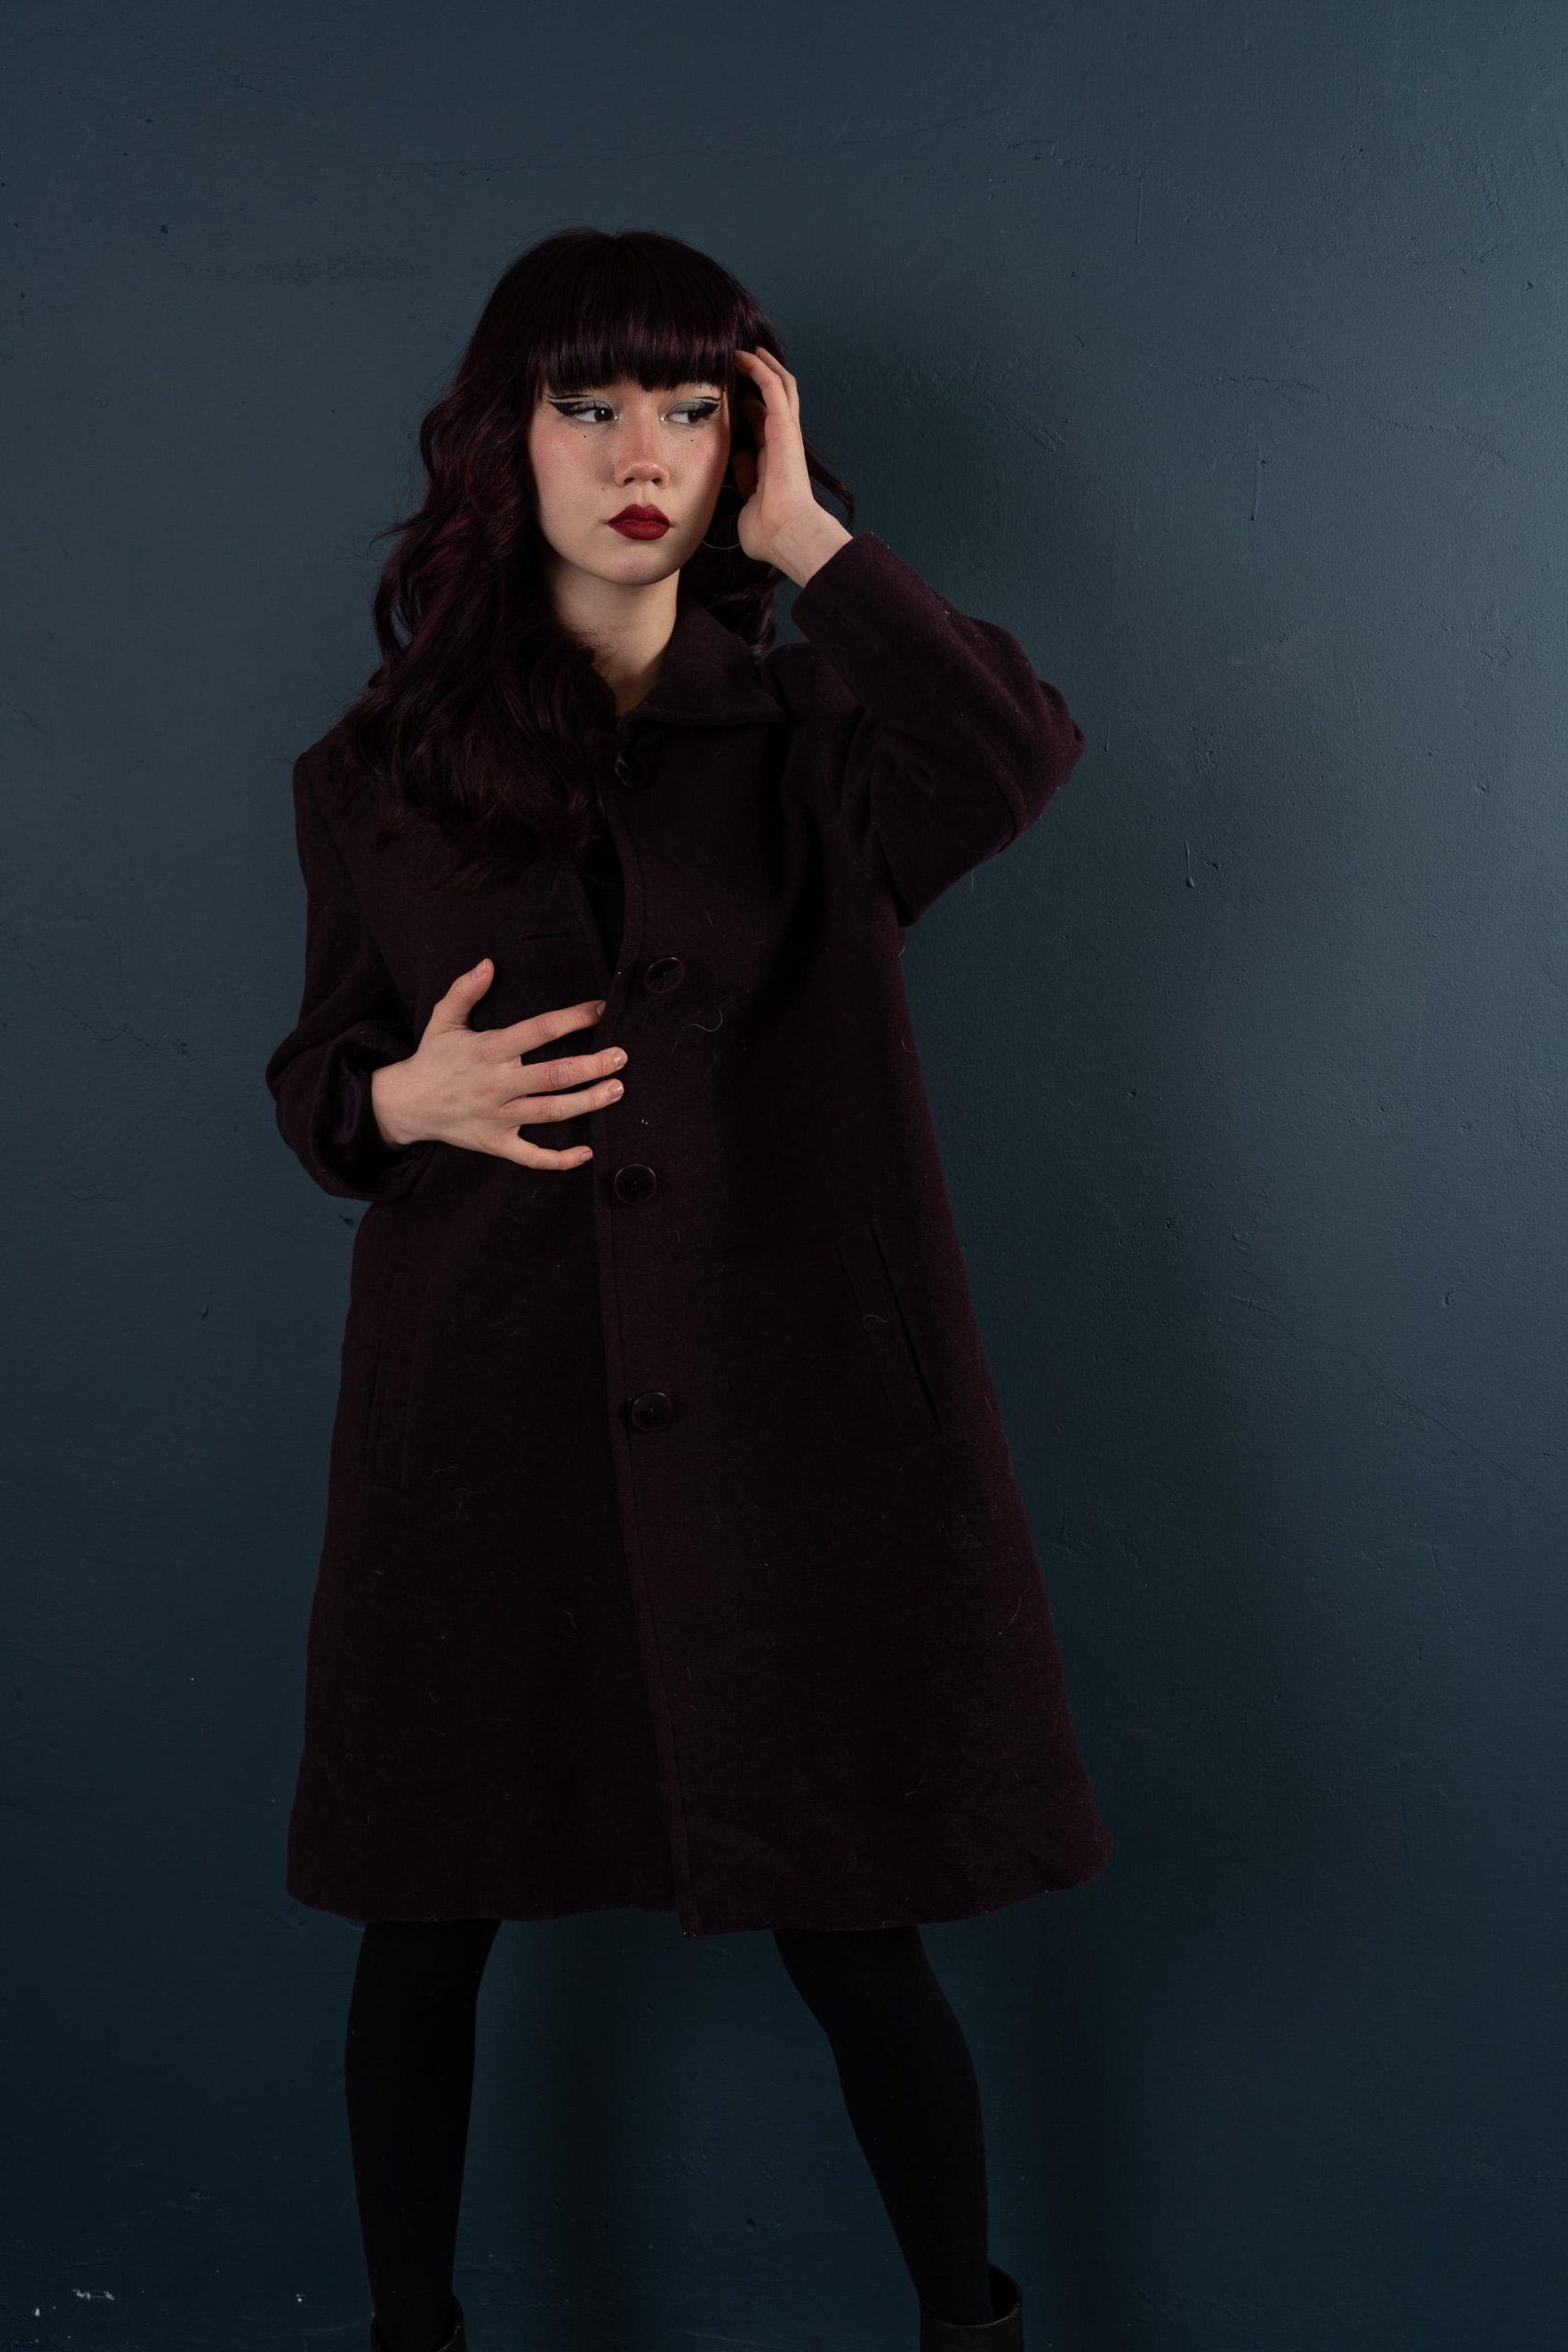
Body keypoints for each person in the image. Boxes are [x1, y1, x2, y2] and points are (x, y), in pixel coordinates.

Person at [263, 226, 1112, 2352]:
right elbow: (319, 1070)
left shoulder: (824, 736)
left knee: (852, 1920)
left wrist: (810, 538)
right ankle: (407, 2332)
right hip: (482, 1417)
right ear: (505, 438)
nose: (641, 453)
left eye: (690, 410)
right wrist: (394, 1095)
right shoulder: (370, 770)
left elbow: (1013, 753)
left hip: (784, 1416)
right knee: (423, 1918)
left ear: (745, 443)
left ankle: (965, 2327)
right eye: (590, 406)